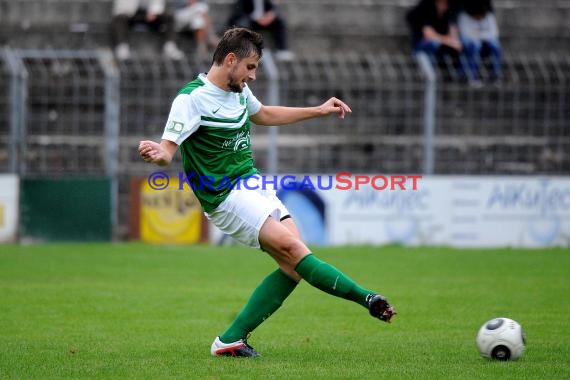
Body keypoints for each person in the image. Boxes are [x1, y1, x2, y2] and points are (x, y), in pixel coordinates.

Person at [138, 27, 396, 357]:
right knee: (292, 248)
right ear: (230, 60)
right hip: (224, 196)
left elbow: (264, 114)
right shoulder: (191, 99)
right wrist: (156, 154)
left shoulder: (238, 91)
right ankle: (367, 298)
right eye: (250, 66)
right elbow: (166, 151)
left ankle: (230, 339)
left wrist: (317, 110)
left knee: (294, 262)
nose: (254, 76)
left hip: (252, 185)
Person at [406, 0, 470, 81]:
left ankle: (460, 76)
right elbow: (428, 35)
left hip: (440, 47)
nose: (445, 6)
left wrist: (450, 41)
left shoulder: (448, 15)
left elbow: (453, 35)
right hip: (421, 47)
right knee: (434, 43)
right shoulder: (427, 11)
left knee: (463, 45)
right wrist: (448, 41)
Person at [112, 0, 185, 61]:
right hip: (132, 15)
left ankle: (170, 46)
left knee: (169, 17)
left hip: (151, 15)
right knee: (119, 18)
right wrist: (128, 12)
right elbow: (120, 8)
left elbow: (158, 4)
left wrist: (154, 12)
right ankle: (122, 47)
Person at [227, 0, 295, 61]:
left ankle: (282, 49)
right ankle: (251, 50)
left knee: (279, 22)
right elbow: (239, 12)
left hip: (264, 21)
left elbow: (273, 8)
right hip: (250, 20)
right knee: (244, 25)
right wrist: (256, 18)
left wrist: (270, 15)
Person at [458, 0, 502, 83]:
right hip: (471, 44)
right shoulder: (464, 16)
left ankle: (496, 76)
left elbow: (494, 33)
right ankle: (472, 76)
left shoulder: (488, 16)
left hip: (485, 42)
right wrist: (481, 36)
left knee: (495, 45)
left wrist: (479, 36)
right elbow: (465, 33)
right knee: (475, 45)